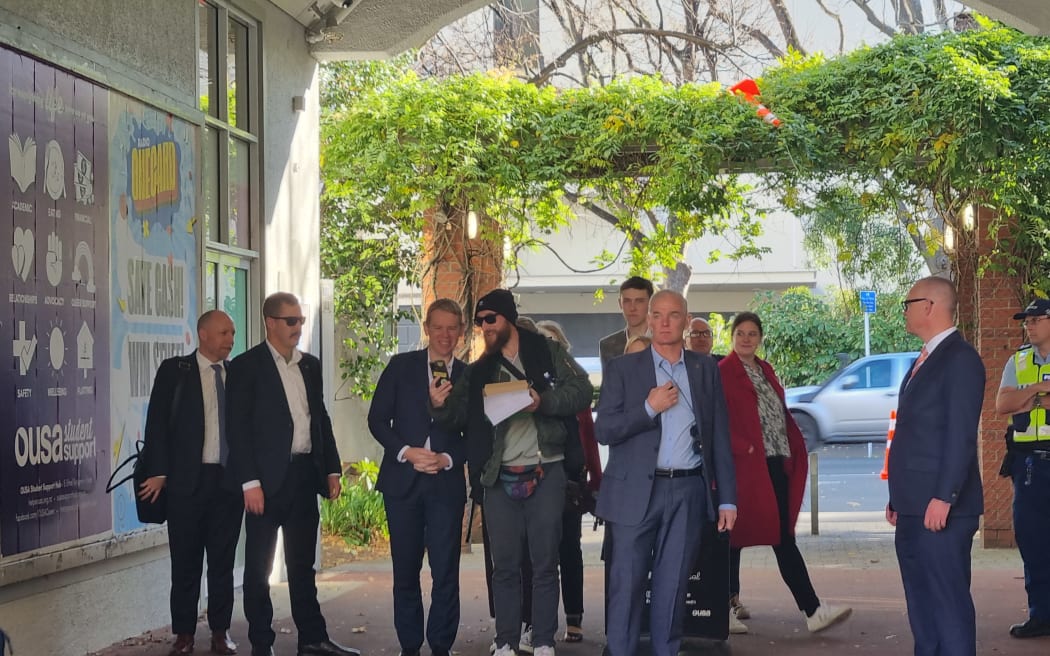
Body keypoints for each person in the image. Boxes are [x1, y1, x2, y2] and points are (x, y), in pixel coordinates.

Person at [430, 289, 593, 656]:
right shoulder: (478, 370)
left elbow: (582, 390)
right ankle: (505, 640)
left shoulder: (546, 352)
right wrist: (438, 405)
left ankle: (544, 641)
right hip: (497, 477)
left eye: (491, 320)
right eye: (479, 323)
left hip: (546, 469)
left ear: (508, 318)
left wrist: (543, 401)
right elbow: (456, 417)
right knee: (503, 565)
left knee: (545, 563)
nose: (484, 328)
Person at [596, 290, 737, 656]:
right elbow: (604, 431)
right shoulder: (622, 368)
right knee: (625, 585)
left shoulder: (705, 369)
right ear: (648, 319)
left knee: (673, 586)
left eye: (672, 315)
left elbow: (719, 433)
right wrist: (648, 407)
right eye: (656, 314)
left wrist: (728, 500)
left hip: (688, 489)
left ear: (686, 321)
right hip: (633, 494)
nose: (663, 322)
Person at [227, 292, 358, 656]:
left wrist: (331, 468)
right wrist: (249, 482)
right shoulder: (245, 367)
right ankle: (261, 643)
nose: (298, 328)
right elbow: (237, 430)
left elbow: (321, 420)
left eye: (300, 321)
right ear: (270, 322)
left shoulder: (310, 366)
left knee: (303, 566)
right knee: (258, 569)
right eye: (291, 321)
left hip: (303, 477)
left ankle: (312, 639)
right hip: (264, 484)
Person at [719, 311, 851, 636]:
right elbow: (715, 420)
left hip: (774, 464)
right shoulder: (722, 372)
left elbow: (777, 414)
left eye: (752, 333)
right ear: (732, 337)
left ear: (760, 338)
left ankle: (810, 609)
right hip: (743, 466)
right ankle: (808, 609)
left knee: (776, 536)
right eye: (741, 333)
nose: (746, 338)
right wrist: (742, 447)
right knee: (733, 537)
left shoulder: (765, 370)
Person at [886, 276, 985, 655]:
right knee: (921, 605)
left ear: (930, 306)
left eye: (908, 303)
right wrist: (898, 497)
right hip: (912, 507)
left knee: (948, 604)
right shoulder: (923, 360)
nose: (905, 311)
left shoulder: (960, 359)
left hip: (941, 508)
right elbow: (915, 435)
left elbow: (960, 436)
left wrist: (944, 496)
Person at [139, 310, 243, 656]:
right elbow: (156, 423)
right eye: (223, 333)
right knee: (185, 563)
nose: (230, 339)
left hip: (227, 483)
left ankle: (220, 633)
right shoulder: (176, 371)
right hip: (186, 483)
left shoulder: (238, 375)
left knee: (222, 563)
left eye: (232, 333)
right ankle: (183, 635)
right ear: (203, 334)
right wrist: (158, 471)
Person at [368, 298, 468, 656]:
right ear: (427, 328)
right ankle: (409, 645)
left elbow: (476, 434)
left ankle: (441, 645)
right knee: (405, 570)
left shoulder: (468, 376)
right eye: (438, 327)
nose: (445, 335)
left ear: (461, 331)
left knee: (445, 572)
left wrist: (446, 458)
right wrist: (406, 452)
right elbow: (377, 420)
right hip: (403, 482)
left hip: (445, 484)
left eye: (452, 328)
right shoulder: (401, 366)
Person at [535, 319, 603, 644]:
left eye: (553, 341)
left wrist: (596, 482)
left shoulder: (576, 391)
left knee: (569, 551)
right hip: (535, 481)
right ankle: (539, 622)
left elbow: (589, 440)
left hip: (570, 483)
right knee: (540, 555)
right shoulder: (529, 387)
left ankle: (574, 617)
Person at [995, 298, 1050, 639]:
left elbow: (1017, 401)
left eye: (1035, 320)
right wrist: (1039, 389)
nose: (1028, 326)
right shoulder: (1018, 360)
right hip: (1029, 462)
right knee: (1033, 541)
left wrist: (1028, 398)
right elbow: (1003, 404)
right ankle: (1041, 615)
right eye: (1025, 322)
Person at [598, 277, 654, 377]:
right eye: (627, 301)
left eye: (639, 301)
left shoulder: (664, 341)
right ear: (620, 303)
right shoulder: (607, 345)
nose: (632, 308)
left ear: (650, 304)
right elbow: (609, 387)